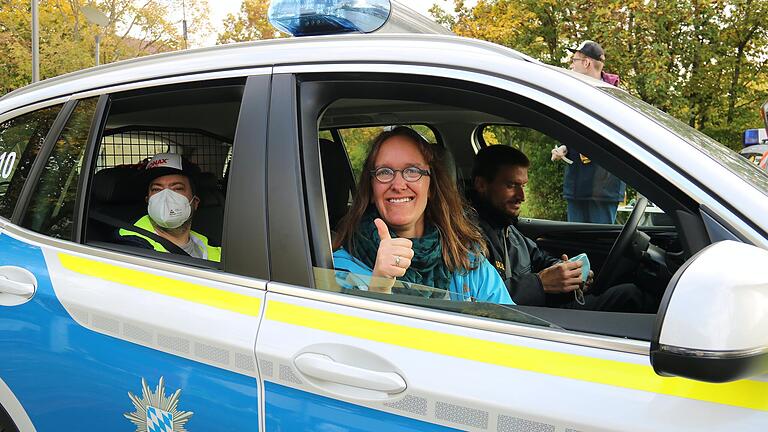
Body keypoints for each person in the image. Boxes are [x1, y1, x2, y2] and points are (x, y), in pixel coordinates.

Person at [332, 127, 512, 304]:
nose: (398, 184)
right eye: (384, 172)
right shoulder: (340, 269)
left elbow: (508, 326)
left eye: (412, 171)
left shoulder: (466, 259)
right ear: (371, 189)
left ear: (431, 187)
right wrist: (379, 289)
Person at [471, 145, 650, 311]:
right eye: (511, 186)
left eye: (523, 186)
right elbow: (480, 299)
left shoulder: (506, 226)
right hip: (525, 323)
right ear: (481, 185)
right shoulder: (468, 236)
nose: (522, 196)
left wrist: (566, 272)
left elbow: (539, 258)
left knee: (629, 293)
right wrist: (540, 284)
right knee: (630, 297)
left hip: (540, 308)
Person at [551, 40, 625, 224]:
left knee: (600, 246)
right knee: (575, 245)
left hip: (604, 188)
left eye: (574, 60)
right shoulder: (573, 93)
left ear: (586, 63)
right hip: (576, 185)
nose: (571, 65)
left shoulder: (615, 97)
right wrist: (565, 147)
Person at [116, 153, 221, 262]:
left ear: (195, 202)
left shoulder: (211, 246)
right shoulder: (131, 246)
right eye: (156, 189)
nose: (166, 197)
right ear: (148, 202)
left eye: (177, 188)